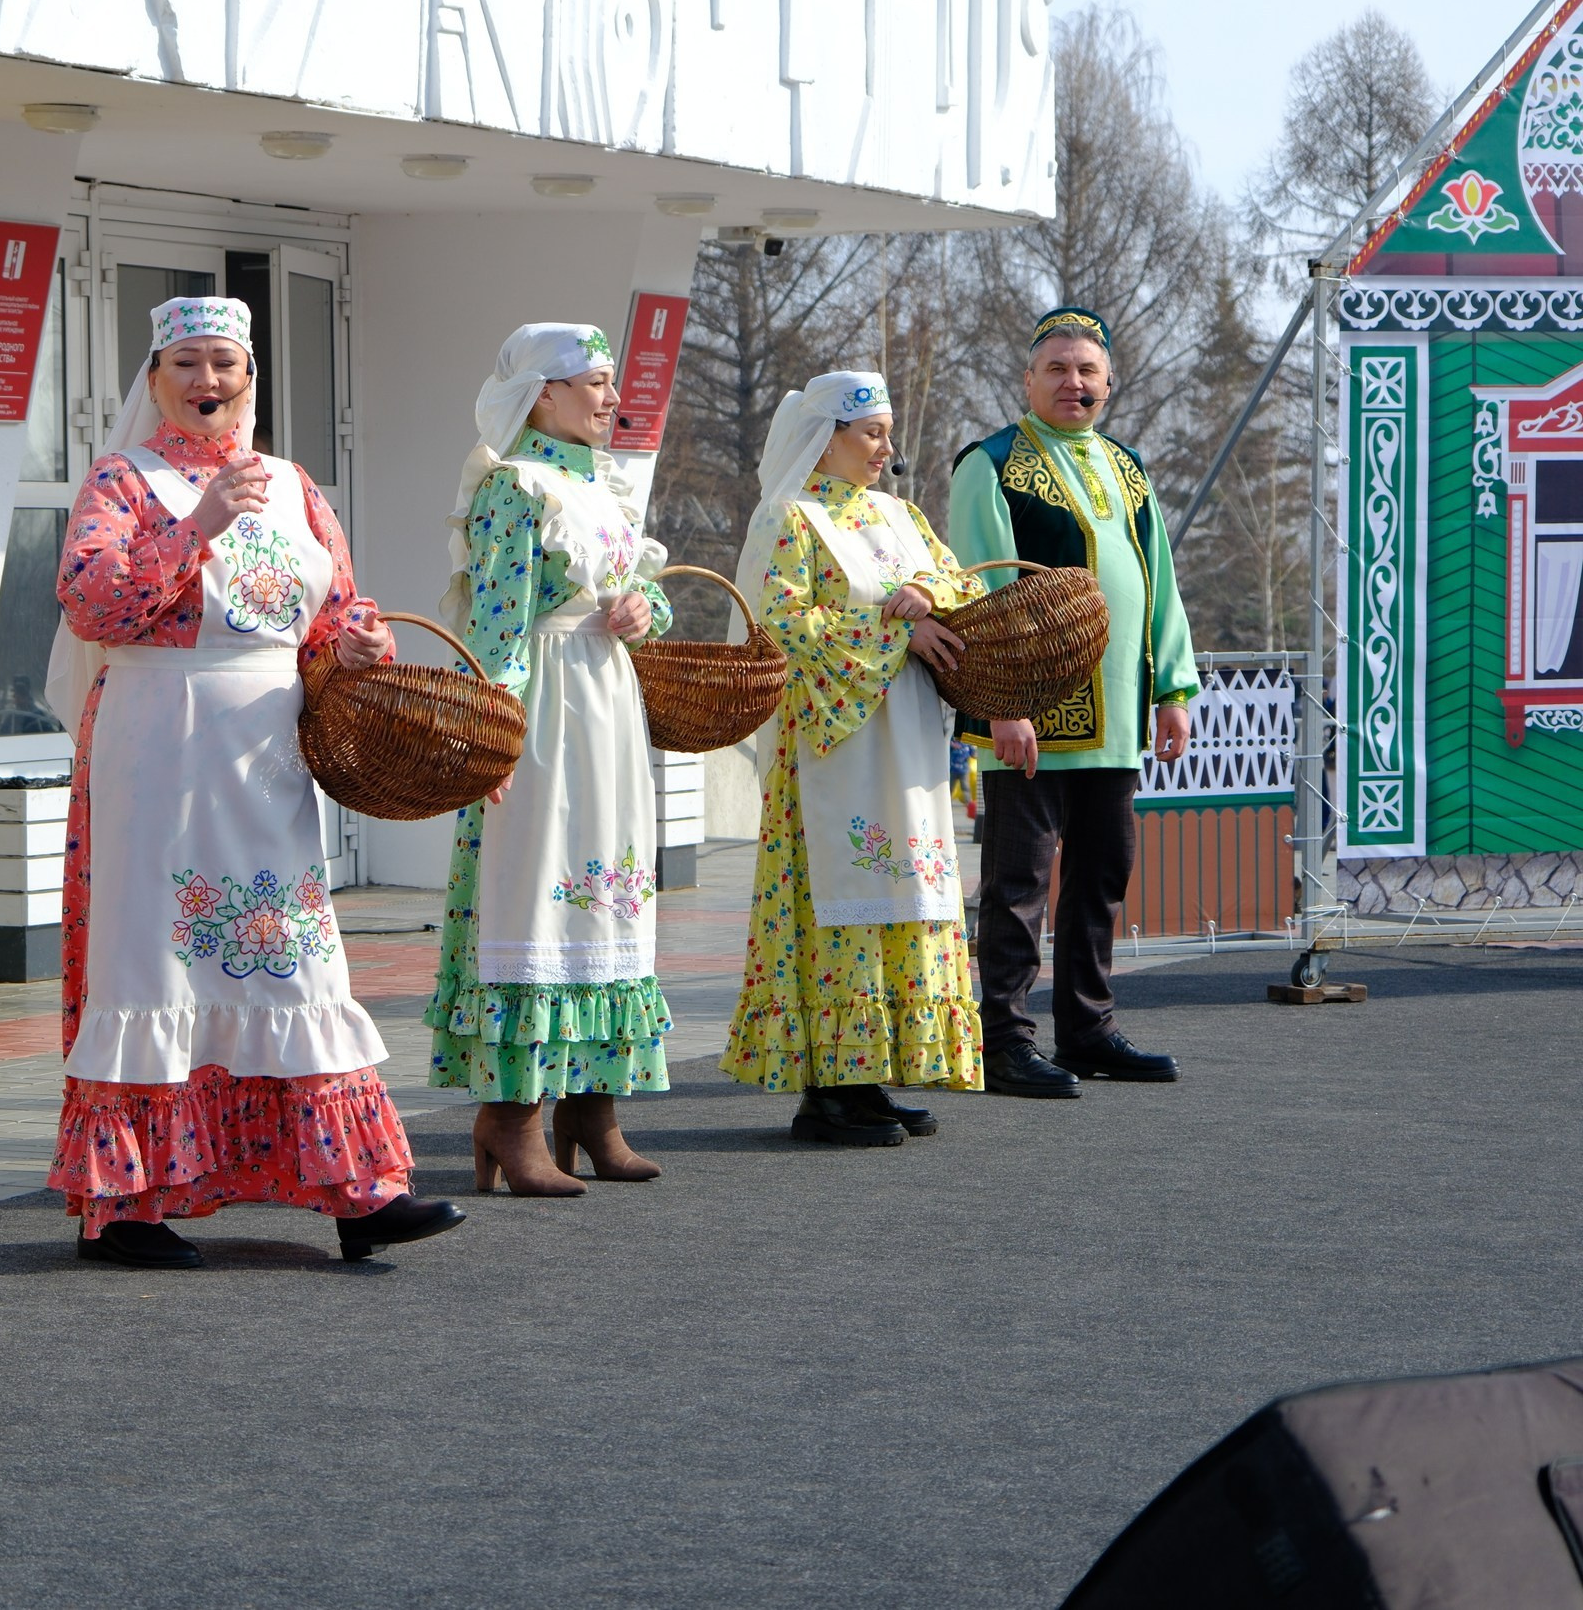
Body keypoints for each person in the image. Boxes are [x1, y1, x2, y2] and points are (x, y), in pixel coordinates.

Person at [44, 296, 466, 1269]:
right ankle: (129, 1206)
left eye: (224, 364)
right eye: (186, 363)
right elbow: (88, 600)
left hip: (264, 752)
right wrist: (193, 524)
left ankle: (361, 1193)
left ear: (249, 379)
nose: (207, 384)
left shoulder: (292, 485)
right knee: (153, 961)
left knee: (293, 955)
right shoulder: (123, 479)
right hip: (160, 741)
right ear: (153, 379)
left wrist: (362, 645)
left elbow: (335, 614)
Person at [425, 322, 676, 1195]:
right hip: (544, 713)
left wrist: (643, 609)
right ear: (543, 392)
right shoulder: (513, 486)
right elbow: (495, 626)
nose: (612, 400)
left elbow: (638, 590)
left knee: (606, 891)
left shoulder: (599, 485)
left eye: (610, 384)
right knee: (533, 890)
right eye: (596, 383)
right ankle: (511, 1114)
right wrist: (492, 733)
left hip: (606, 703)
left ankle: (591, 1107)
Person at [720, 371, 988, 1144]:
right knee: (838, 902)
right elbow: (779, 625)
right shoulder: (790, 518)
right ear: (826, 436)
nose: (885, 447)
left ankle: (872, 1075)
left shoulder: (899, 515)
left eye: (886, 431)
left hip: (900, 740)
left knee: (902, 893)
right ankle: (830, 1085)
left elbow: (958, 579)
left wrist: (931, 599)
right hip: (830, 745)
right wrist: (893, 631)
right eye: (871, 431)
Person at [946, 307, 1199, 1098]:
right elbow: (979, 585)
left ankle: (1088, 1028)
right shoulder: (990, 463)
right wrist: (1004, 701)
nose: (1073, 382)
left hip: (1117, 715)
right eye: (1056, 368)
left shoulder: (1126, 468)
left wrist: (1173, 687)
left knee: (1101, 877)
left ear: (1109, 385)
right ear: (1027, 381)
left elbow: (1158, 579)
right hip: (1032, 720)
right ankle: (1005, 1041)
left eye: (1087, 370)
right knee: (1018, 883)